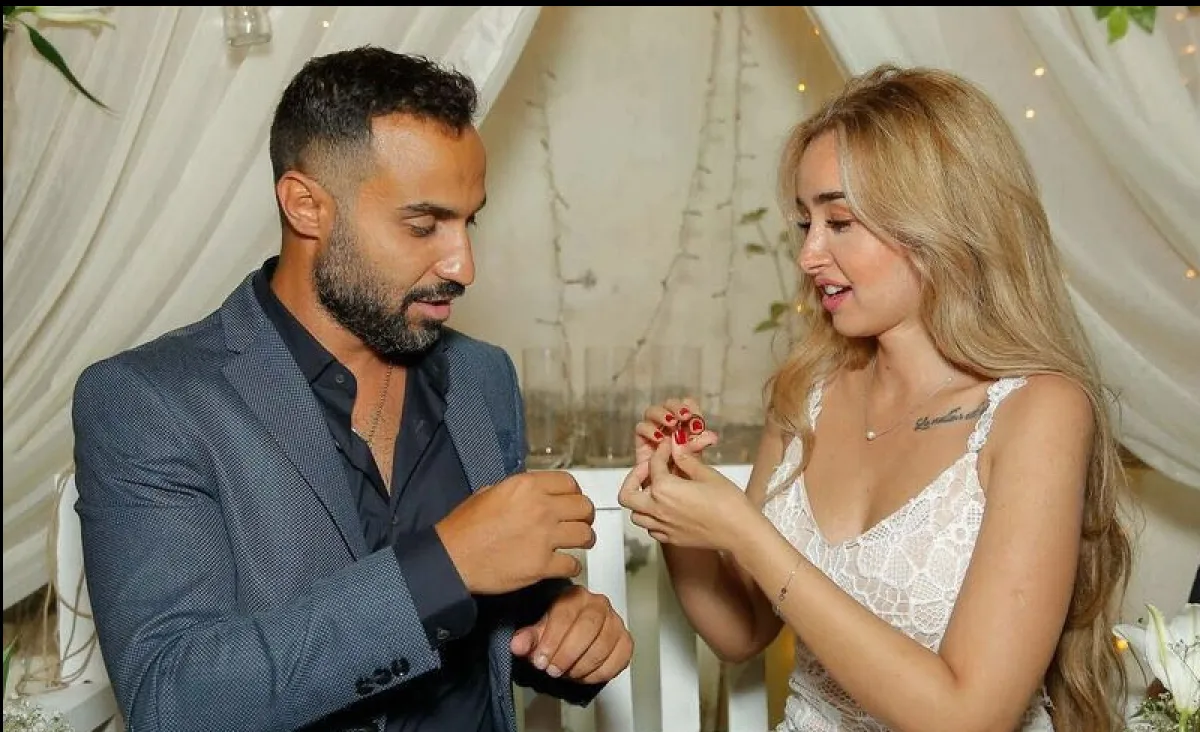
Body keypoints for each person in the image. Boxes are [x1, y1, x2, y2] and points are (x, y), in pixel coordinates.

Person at [71, 46, 632, 732]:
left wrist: (556, 627)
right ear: (306, 206)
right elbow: (175, 701)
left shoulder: (483, 377)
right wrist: (444, 566)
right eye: (423, 225)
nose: (463, 265)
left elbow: (480, 624)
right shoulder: (148, 401)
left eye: (469, 221)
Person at [619, 64, 1133, 731]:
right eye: (805, 223)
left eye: (839, 221)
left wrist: (746, 533)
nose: (808, 256)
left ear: (941, 225)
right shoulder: (806, 395)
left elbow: (970, 716)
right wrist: (678, 505)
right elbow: (740, 633)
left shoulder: (1039, 410)